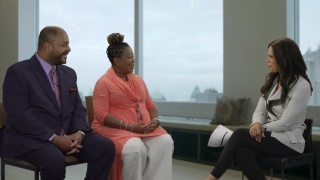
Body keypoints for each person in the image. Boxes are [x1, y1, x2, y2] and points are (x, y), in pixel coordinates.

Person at [2, 26, 115, 180]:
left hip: (69, 135)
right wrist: (54, 138)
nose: (69, 49)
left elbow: (78, 108)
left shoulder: (69, 73)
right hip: (32, 138)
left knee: (105, 147)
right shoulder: (18, 72)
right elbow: (20, 116)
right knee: (54, 161)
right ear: (47, 46)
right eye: (64, 44)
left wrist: (79, 133)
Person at [206, 37, 313, 180]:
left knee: (239, 134)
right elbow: (259, 111)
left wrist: (260, 128)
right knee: (242, 153)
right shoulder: (273, 81)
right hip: (271, 136)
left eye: (271, 57)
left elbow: (286, 123)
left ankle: (211, 178)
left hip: (289, 142)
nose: (267, 61)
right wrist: (256, 124)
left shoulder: (301, 85)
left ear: (283, 58)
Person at [91, 33, 174, 180]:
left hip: (144, 128)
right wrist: (130, 127)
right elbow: (101, 115)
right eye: (129, 57)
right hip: (115, 130)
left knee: (165, 141)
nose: (133, 61)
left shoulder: (138, 80)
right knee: (135, 148)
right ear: (116, 60)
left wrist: (155, 120)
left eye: (133, 56)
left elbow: (150, 105)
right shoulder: (103, 82)